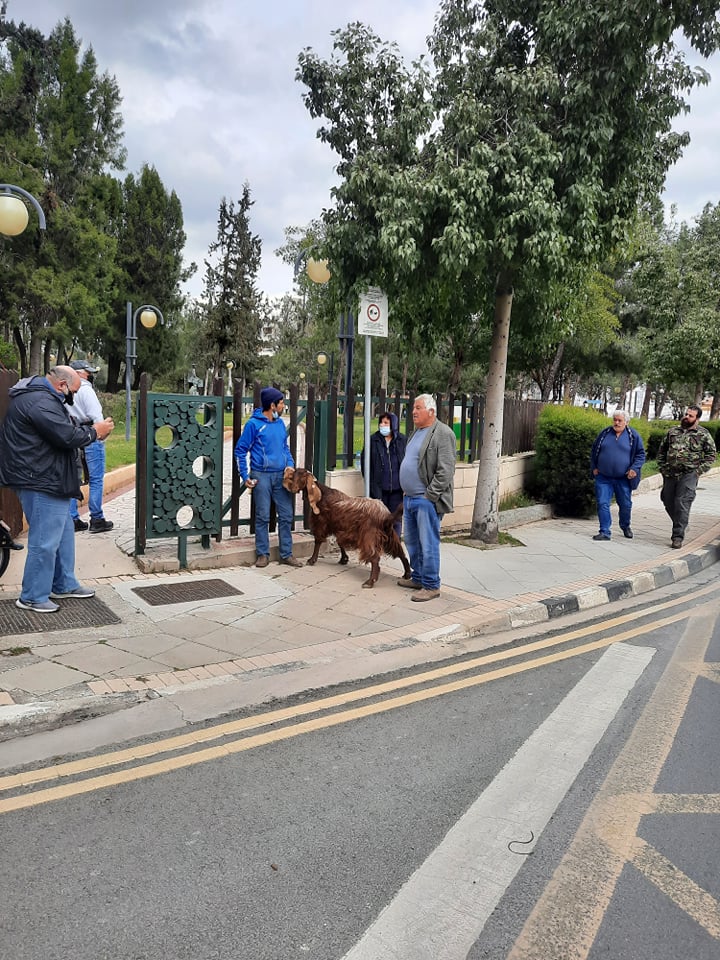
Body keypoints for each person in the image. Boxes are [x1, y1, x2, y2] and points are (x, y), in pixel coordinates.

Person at [0, 365, 115, 613]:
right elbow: (65, 436)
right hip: (40, 481)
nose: (71, 396)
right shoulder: (39, 401)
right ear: (61, 385)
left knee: (62, 536)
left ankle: (63, 584)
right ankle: (31, 596)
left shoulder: (43, 399)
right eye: (72, 391)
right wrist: (96, 431)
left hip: (50, 478)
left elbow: (65, 429)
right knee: (44, 540)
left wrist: (88, 429)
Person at [234, 386, 302, 568]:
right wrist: (245, 475)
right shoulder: (253, 425)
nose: (283, 405)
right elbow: (240, 450)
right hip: (261, 476)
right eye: (281, 402)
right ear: (272, 405)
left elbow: (284, 447)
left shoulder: (280, 424)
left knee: (287, 515)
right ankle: (262, 554)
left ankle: (286, 554)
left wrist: (290, 464)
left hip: (281, 476)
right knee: (263, 516)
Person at [397, 394, 456, 601]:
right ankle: (418, 577)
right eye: (413, 407)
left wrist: (429, 495)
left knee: (428, 543)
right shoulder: (416, 433)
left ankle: (431, 585)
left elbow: (446, 470)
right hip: (410, 498)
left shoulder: (443, 433)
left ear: (431, 411)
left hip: (426, 501)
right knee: (412, 542)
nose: (413, 411)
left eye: (418, 408)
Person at [657, 404, 716, 548]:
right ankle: (682, 524)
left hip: (689, 474)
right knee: (667, 498)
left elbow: (711, 455)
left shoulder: (703, 434)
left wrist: (698, 471)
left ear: (697, 419)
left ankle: (677, 536)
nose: (687, 417)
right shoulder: (673, 432)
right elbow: (662, 450)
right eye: (686, 414)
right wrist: (662, 467)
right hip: (670, 473)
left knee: (682, 503)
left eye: (691, 416)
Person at [68, 360, 114, 534]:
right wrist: (103, 433)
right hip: (92, 435)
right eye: (88, 373)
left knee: (73, 478)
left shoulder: (65, 391)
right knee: (96, 478)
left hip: (73, 435)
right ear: (79, 373)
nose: (90, 376)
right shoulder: (86, 390)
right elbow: (97, 418)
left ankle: (73, 518)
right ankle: (96, 518)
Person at [590, 410, 645, 541]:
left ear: (626, 422)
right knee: (603, 503)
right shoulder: (605, 434)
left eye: (619, 420)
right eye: (615, 420)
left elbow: (640, 455)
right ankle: (604, 531)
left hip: (623, 479)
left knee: (625, 504)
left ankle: (625, 526)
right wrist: (594, 468)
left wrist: (634, 468)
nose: (616, 422)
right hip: (603, 477)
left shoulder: (633, 436)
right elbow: (594, 450)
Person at [361, 410, 407, 537]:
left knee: (396, 519)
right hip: (379, 489)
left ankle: (394, 543)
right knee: (379, 519)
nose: (382, 425)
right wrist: (371, 485)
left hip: (397, 489)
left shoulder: (402, 441)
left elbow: (407, 463)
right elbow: (366, 465)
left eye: (386, 423)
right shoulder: (373, 441)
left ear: (393, 424)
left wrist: (406, 485)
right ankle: (380, 543)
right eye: (381, 422)